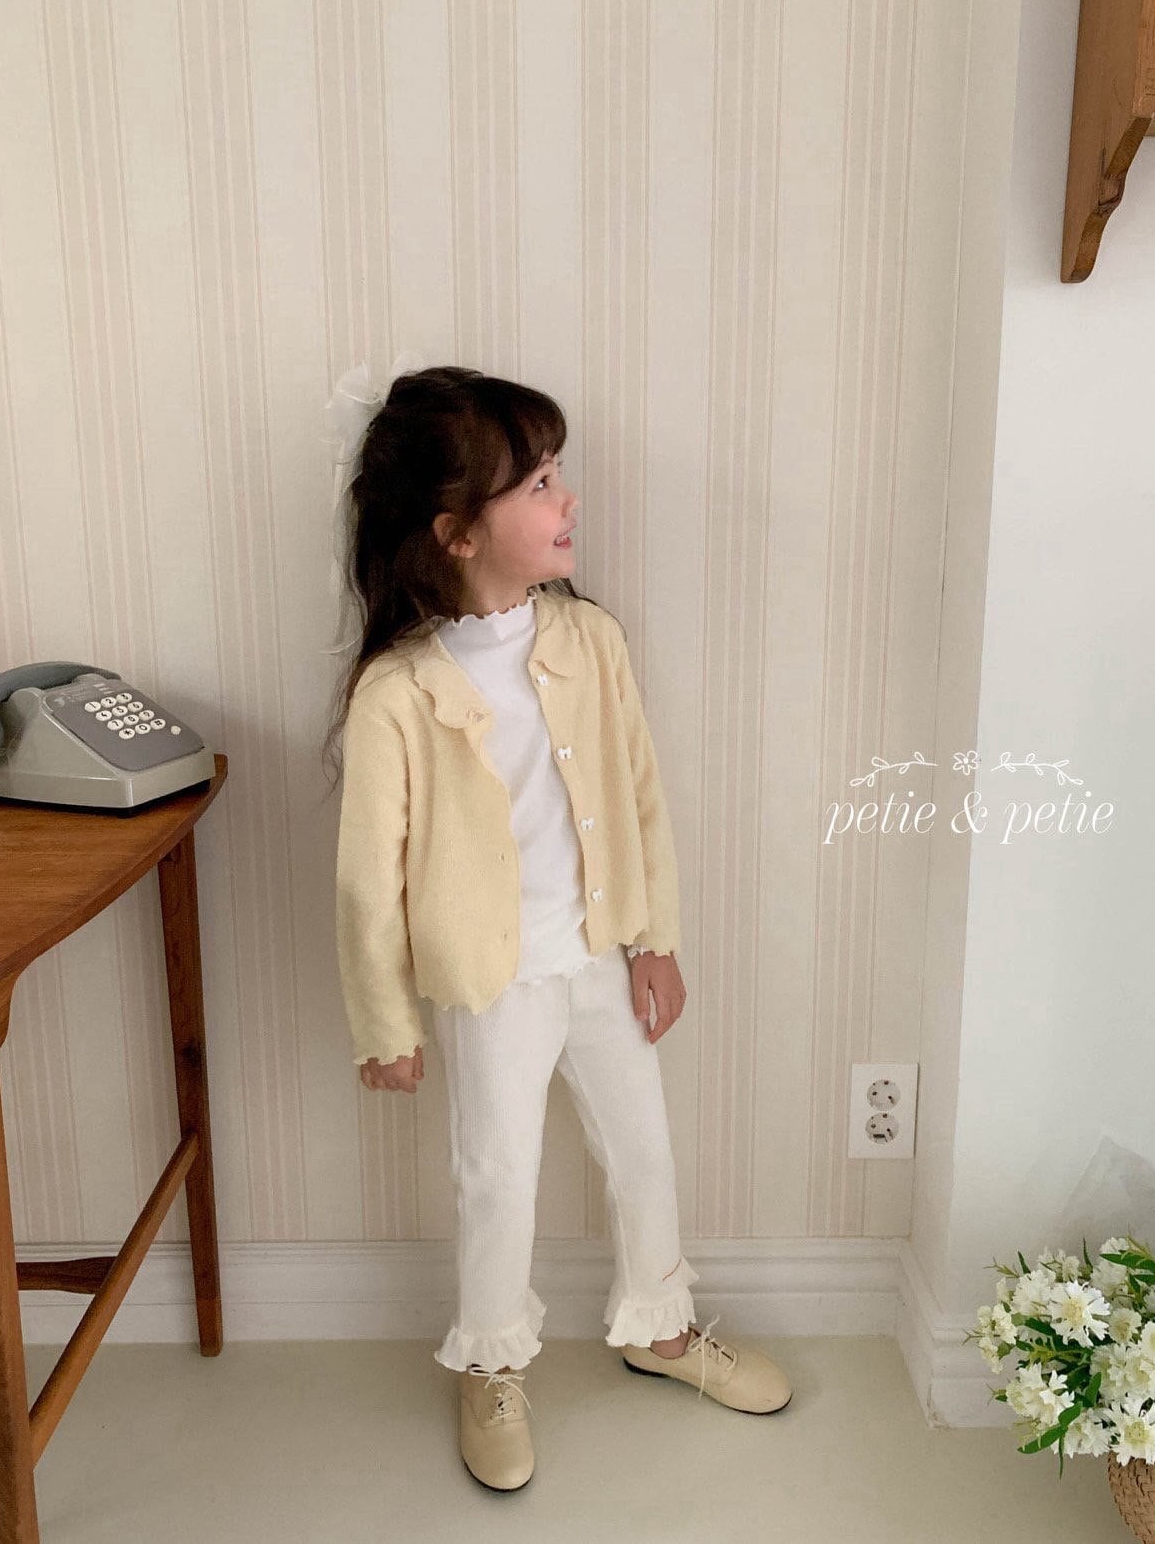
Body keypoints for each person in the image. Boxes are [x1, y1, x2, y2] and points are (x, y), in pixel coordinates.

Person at [326, 365, 791, 1492]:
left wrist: (656, 937)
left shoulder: (590, 640)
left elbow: (639, 793)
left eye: (557, 472)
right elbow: (366, 884)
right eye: (537, 483)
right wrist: (384, 1023)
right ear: (455, 531)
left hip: (597, 955)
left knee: (643, 1147)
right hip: (489, 981)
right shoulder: (398, 693)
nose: (566, 497)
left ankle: (660, 1325)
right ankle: (490, 1361)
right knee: (497, 1173)